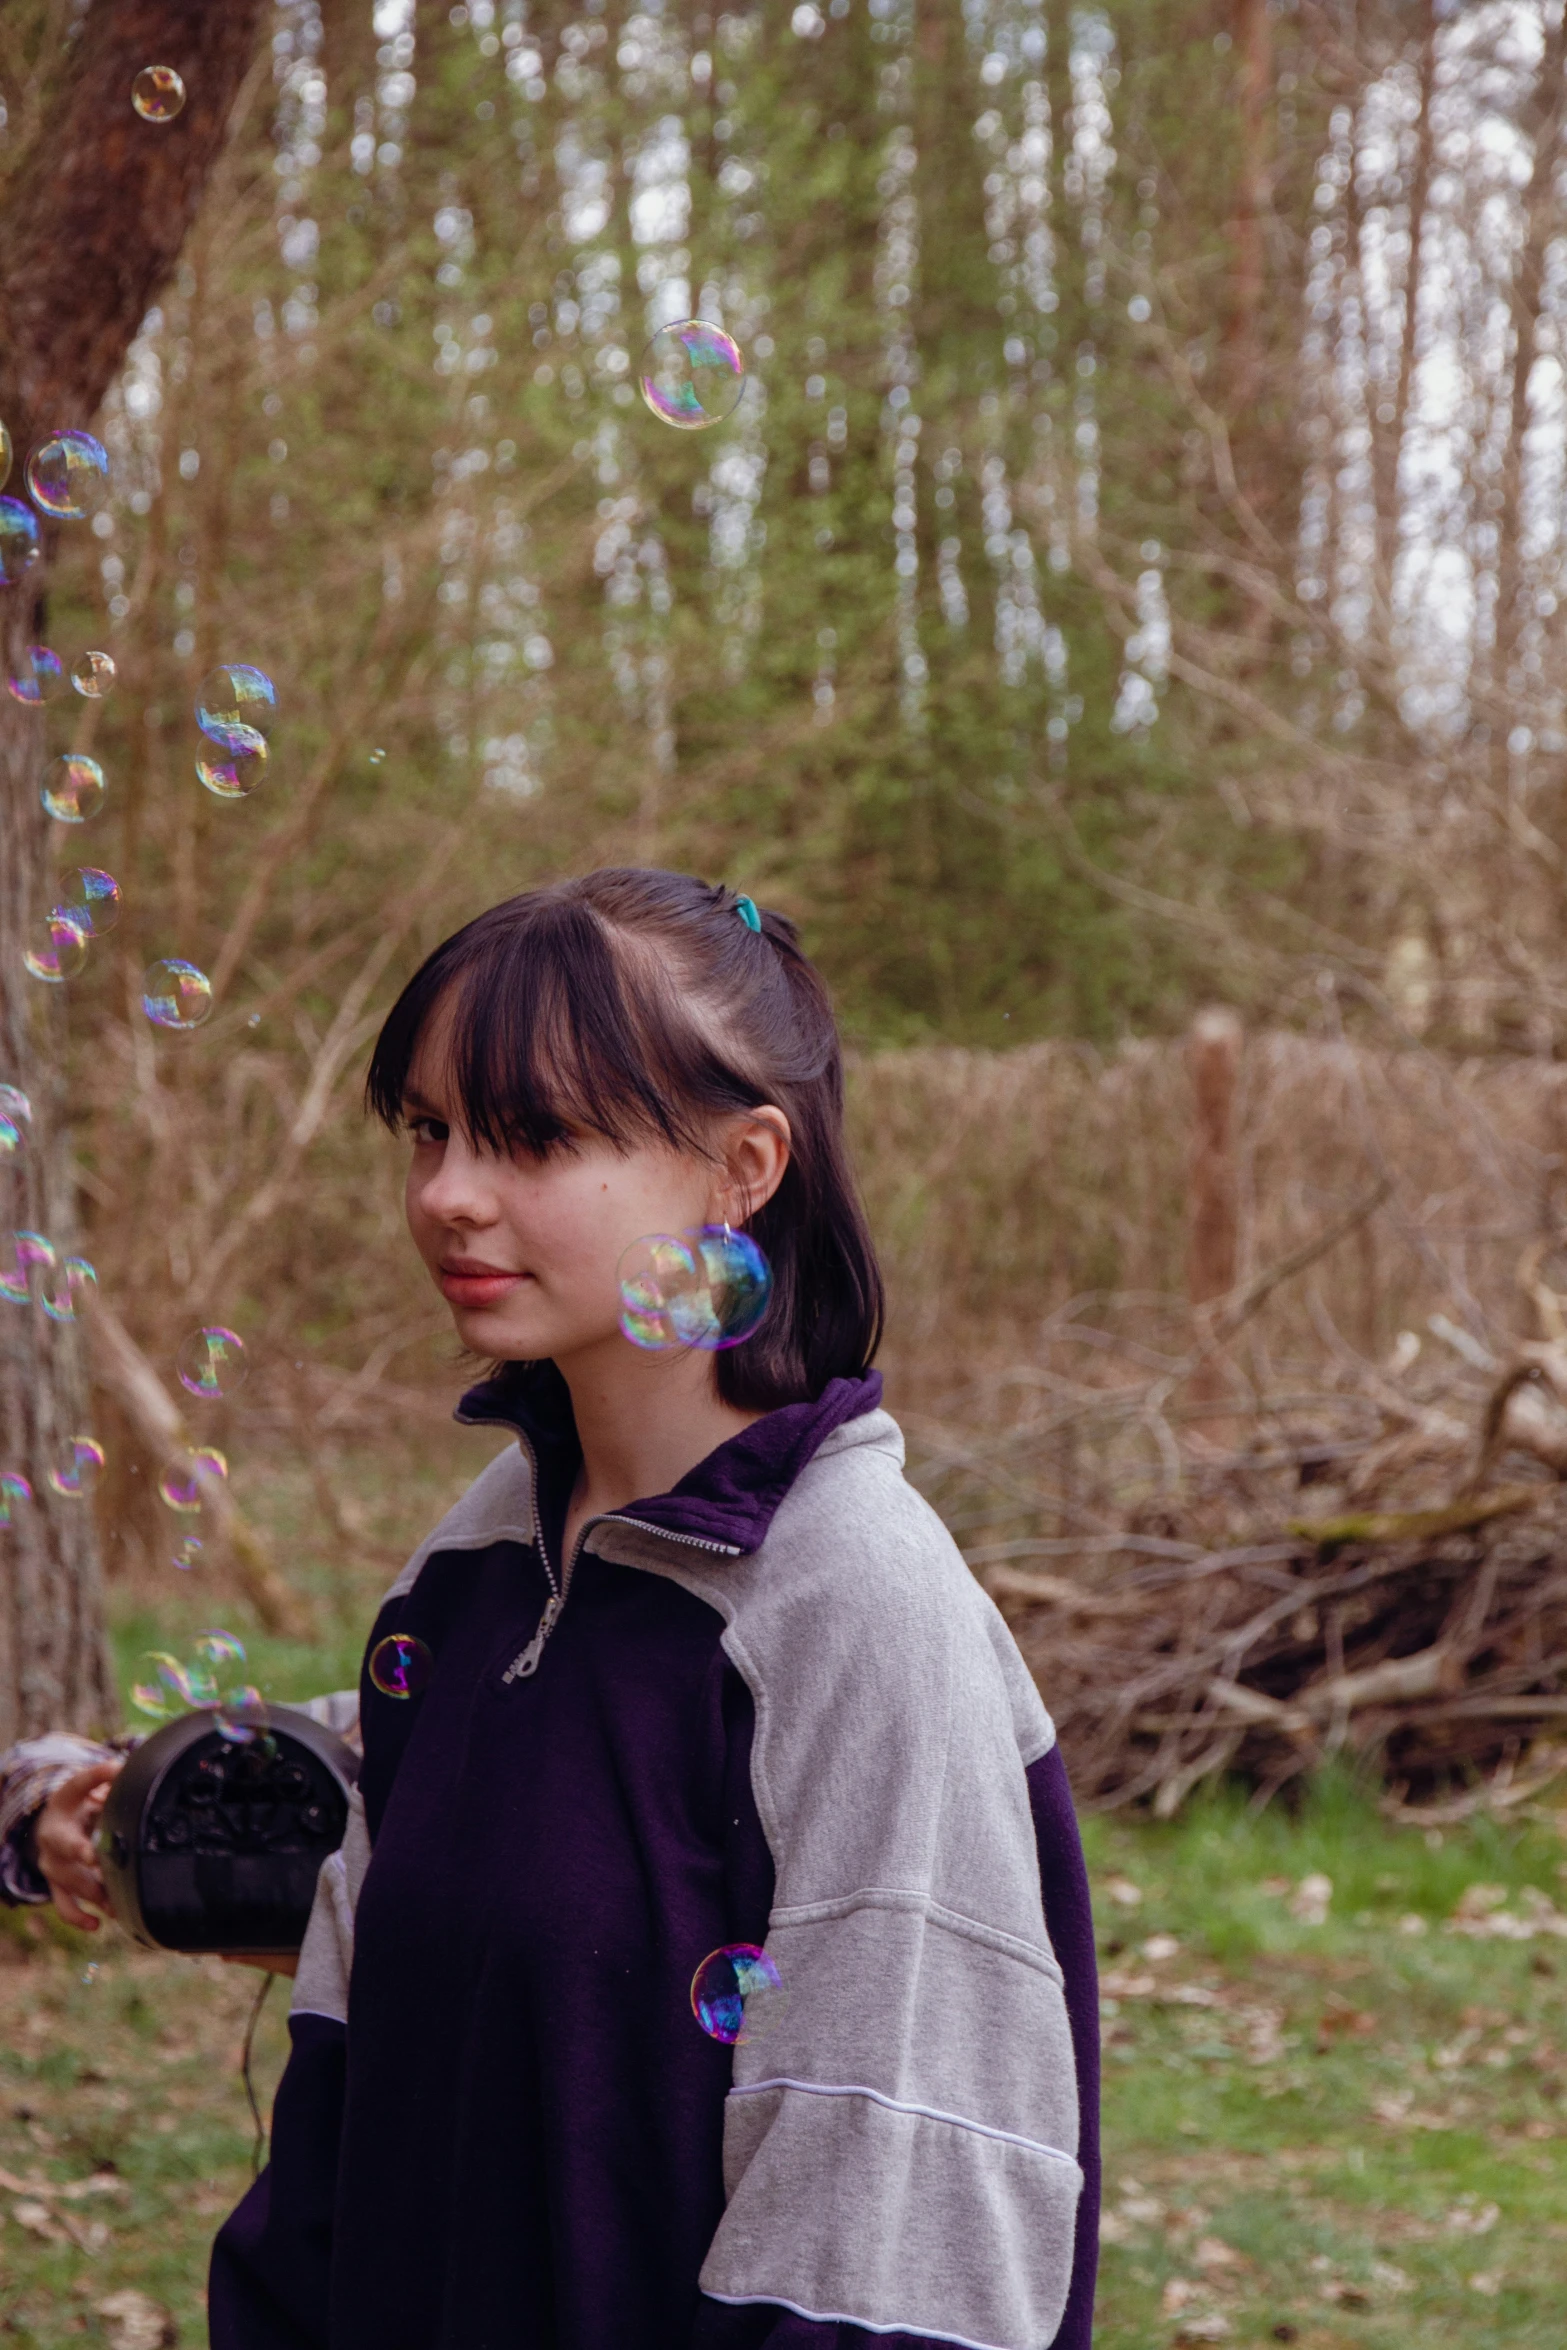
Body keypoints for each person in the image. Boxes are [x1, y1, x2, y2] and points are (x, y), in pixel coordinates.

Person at [3, 870, 1099, 2350]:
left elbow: (885, 2243)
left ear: (743, 1166)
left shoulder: (855, 1608)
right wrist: (79, 1804)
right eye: (431, 1129)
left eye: (534, 1135)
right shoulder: (482, 1559)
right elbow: (425, 1958)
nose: (450, 1190)